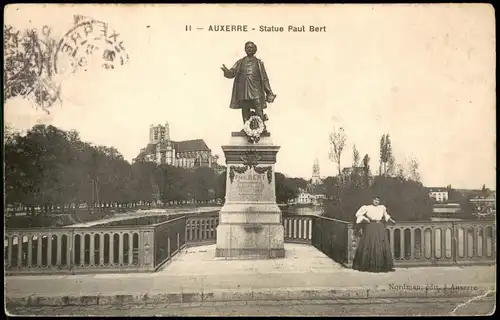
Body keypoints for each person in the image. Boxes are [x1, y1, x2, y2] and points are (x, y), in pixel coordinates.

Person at [221, 41, 276, 127]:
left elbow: (264, 79)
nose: (249, 49)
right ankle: (246, 128)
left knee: (258, 107)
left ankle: (261, 127)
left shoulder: (259, 63)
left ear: (255, 49)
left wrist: (269, 92)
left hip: (256, 89)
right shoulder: (240, 62)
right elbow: (232, 72)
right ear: (245, 50)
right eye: (247, 48)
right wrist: (227, 72)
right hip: (244, 90)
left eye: (251, 48)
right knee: (245, 108)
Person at [352, 196, 396, 273]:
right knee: (369, 244)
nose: (376, 201)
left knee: (381, 245)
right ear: (372, 200)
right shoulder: (367, 207)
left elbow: (386, 215)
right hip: (370, 227)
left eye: (378, 200)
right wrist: (366, 219)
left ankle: (382, 266)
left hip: (379, 227)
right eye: (375, 200)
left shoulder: (382, 208)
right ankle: (367, 265)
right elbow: (358, 214)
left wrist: (392, 220)